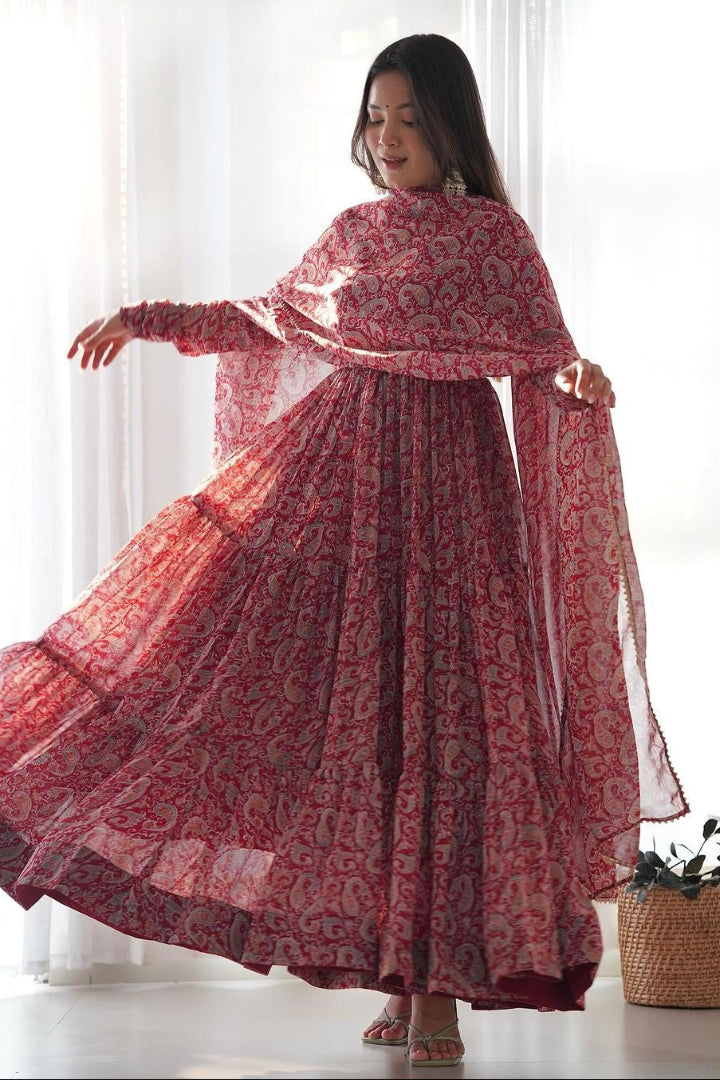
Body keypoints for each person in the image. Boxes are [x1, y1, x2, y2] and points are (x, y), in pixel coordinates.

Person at [0, 33, 686, 1069]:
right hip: (348, 502)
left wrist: (585, 386)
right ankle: (396, 967)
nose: (391, 136)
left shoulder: (494, 239)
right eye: (378, 117)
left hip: (459, 513)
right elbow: (268, 318)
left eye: (411, 117)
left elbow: (545, 363)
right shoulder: (354, 231)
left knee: (452, 737)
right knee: (359, 733)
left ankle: (438, 998)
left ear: (451, 123)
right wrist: (144, 319)